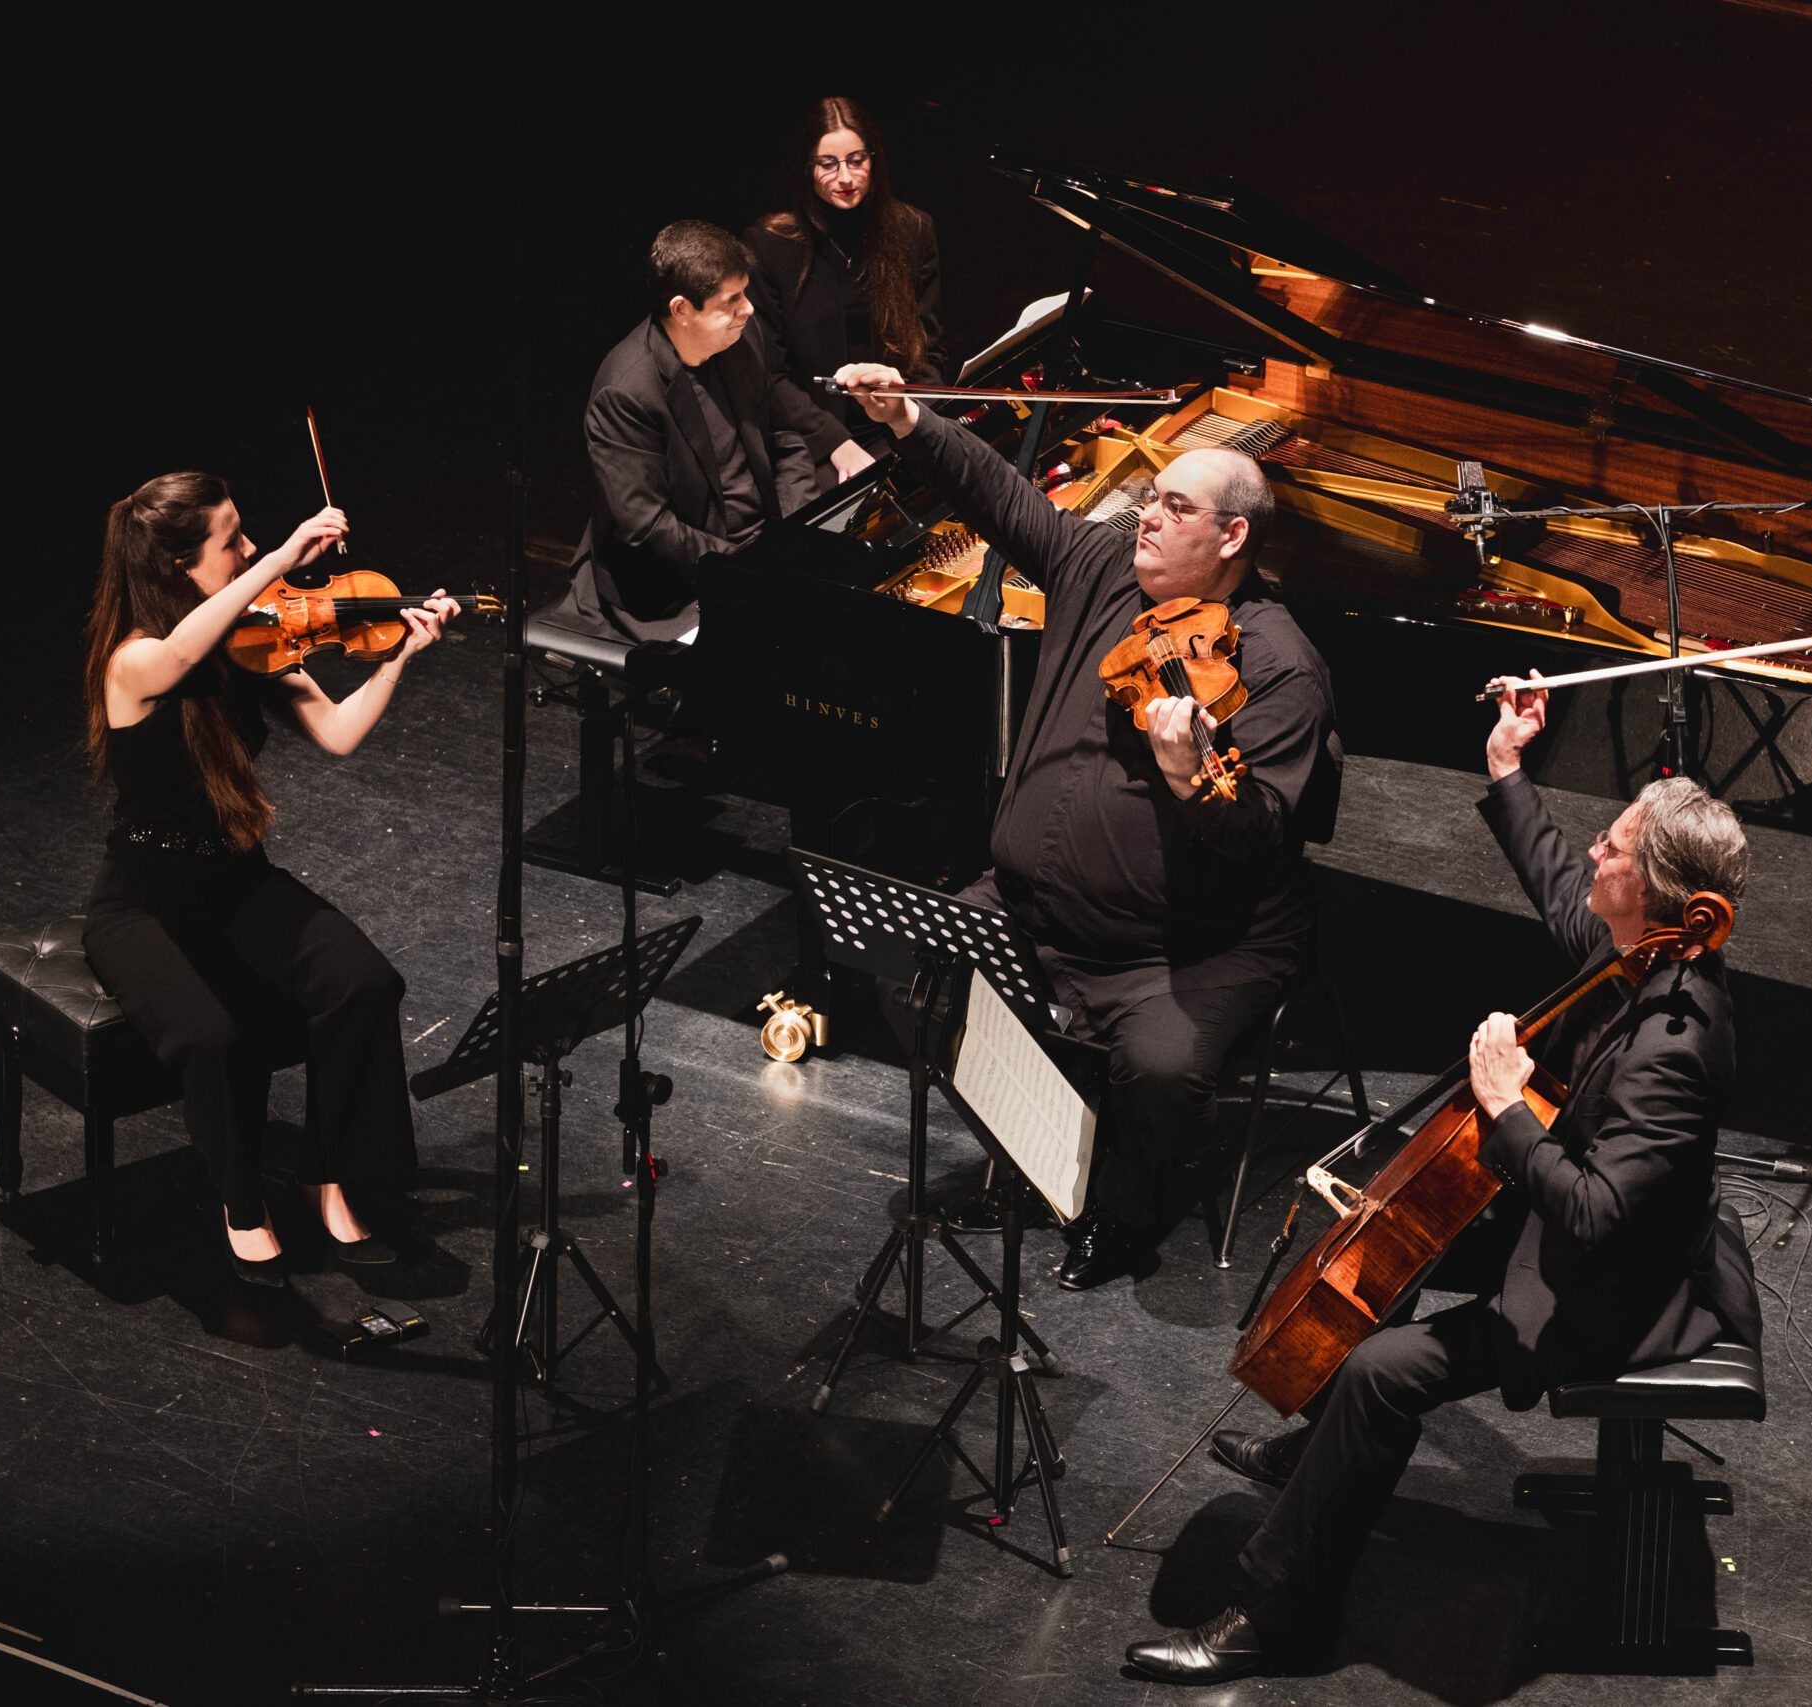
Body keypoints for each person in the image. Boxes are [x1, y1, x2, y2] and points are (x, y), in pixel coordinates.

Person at [1122, 675, 1763, 1683]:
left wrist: (1507, 1104)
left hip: (1615, 1293)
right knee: (1395, 1223)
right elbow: (1558, 877)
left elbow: (1595, 1215)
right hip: (1584, 1228)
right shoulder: (1633, 952)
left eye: (1616, 849)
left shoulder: (1674, 1043)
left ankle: (1274, 1617)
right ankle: (1312, 1453)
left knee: (1385, 1372)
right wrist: (1507, 763)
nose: (1595, 851)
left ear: (1660, 895)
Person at [838, 363, 1340, 1291]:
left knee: (1159, 1064)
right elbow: (999, 495)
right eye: (1150, 497)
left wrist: (1194, 780)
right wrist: (909, 417)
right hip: (1031, 905)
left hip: (1179, 945)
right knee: (909, 975)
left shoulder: (1277, 665)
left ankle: (1122, 1211)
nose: (1147, 513)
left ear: (1232, 536)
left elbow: (1264, 831)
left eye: (1174, 506)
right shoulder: (1101, 564)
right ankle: (1035, 1157)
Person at [80, 471, 459, 1286]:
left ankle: (329, 1182)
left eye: (254, 536)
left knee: (364, 982)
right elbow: (183, 650)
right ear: (183, 562)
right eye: (235, 541)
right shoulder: (136, 662)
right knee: (212, 1038)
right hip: (142, 903)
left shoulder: (255, 640)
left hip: (235, 882)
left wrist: (396, 658)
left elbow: (336, 731)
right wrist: (287, 551)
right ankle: (242, 1206)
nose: (254, 552)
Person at [557, 220, 834, 648]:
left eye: (745, 293)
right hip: (675, 581)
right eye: (732, 300)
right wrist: (748, 567)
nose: (749, 309)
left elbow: (786, 440)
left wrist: (797, 534)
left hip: (767, 550)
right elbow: (648, 528)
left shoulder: (741, 339)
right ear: (683, 309)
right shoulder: (626, 391)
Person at [744, 96, 943, 488]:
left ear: (874, 158)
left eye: (856, 160)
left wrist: (913, 419)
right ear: (807, 167)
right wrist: (836, 443)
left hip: (899, 420)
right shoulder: (768, 246)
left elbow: (930, 352)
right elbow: (771, 375)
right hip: (813, 437)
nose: (846, 178)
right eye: (828, 164)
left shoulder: (913, 229)